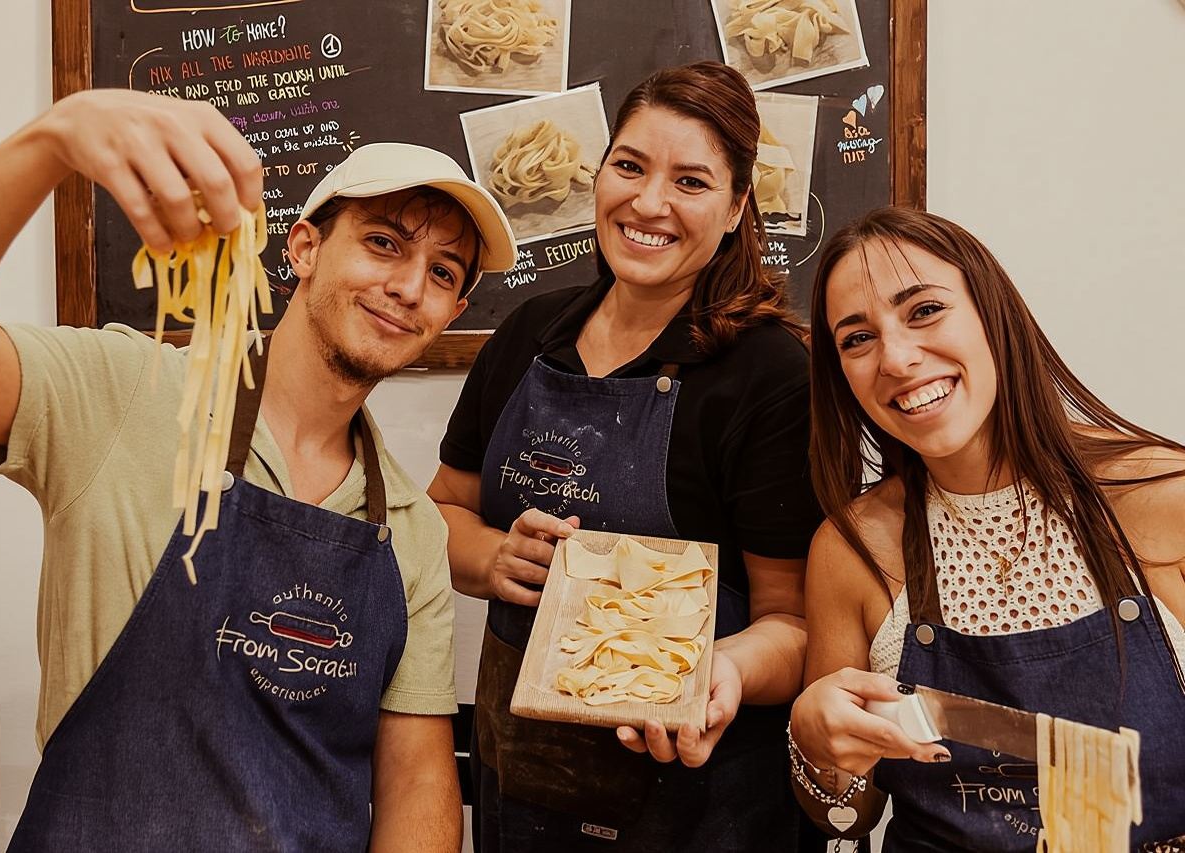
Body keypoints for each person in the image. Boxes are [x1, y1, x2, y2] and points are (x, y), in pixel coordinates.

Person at [0, 88, 517, 851]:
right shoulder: (124, 393)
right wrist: (51, 140)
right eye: (384, 243)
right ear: (304, 247)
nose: (409, 287)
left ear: (452, 312)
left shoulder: (411, 531)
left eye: (444, 272)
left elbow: (418, 780)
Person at [428, 61, 824, 852]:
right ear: (600, 172)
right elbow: (443, 511)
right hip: (523, 780)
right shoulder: (528, 334)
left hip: (700, 799)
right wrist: (496, 558)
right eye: (630, 166)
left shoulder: (771, 374)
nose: (648, 203)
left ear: (736, 206)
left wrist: (719, 671)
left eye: (691, 181)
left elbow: (794, 622)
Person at [788, 206, 1185, 850]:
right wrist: (815, 744)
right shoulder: (852, 548)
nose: (897, 359)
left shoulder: (1163, 498)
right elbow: (847, 817)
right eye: (857, 339)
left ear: (993, 314)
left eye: (924, 310)